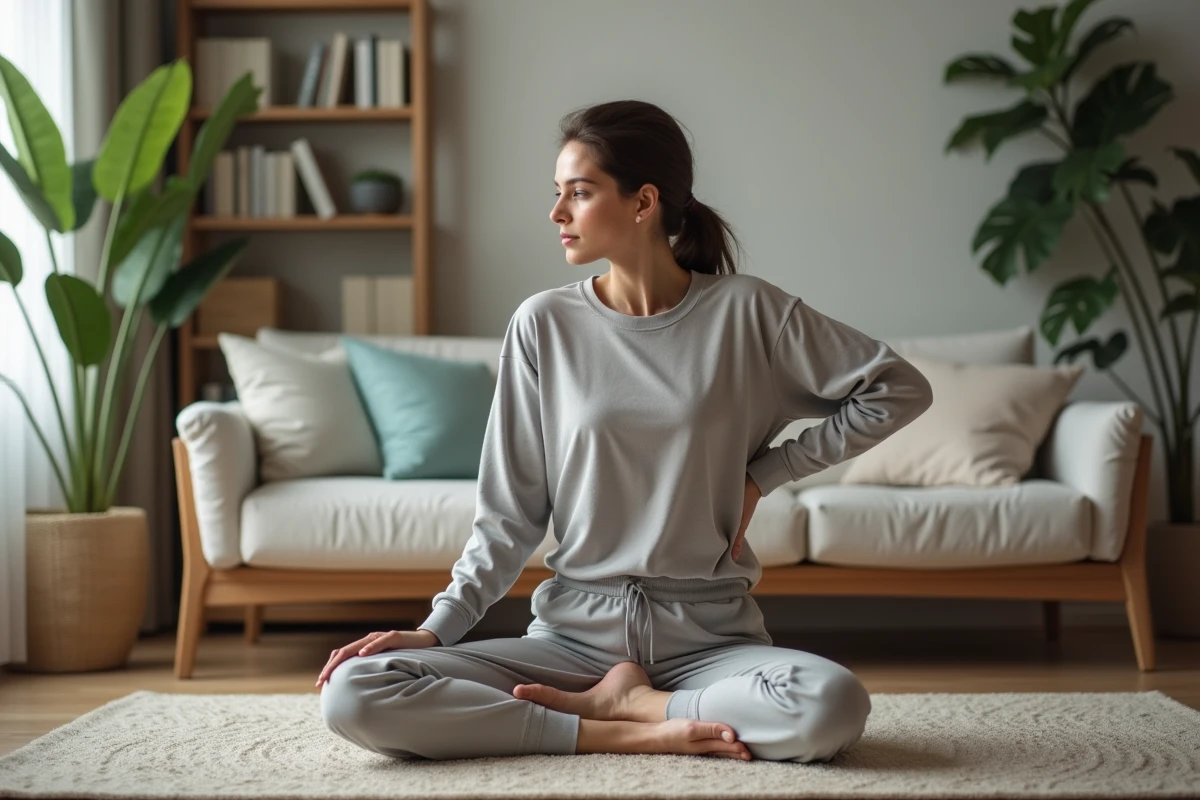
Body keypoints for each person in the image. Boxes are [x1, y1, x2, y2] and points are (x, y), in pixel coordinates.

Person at [316, 99, 933, 763]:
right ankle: (606, 728)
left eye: (578, 194)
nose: (557, 213)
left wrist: (768, 472)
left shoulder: (748, 314)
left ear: (643, 202)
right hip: (570, 642)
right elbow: (508, 517)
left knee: (829, 704)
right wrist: (437, 631)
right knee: (354, 693)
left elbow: (899, 388)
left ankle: (643, 706)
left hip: (711, 644)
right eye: (558, 194)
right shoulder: (543, 326)